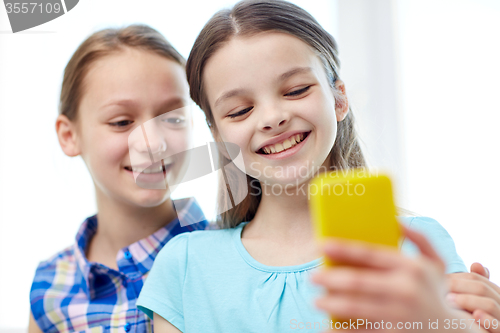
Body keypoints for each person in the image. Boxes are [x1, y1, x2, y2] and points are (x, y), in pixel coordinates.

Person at [136, 1, 500, 332]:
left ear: (339, 98)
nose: (273, 117)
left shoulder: (418, 246)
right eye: (240, 111)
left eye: (295, 90)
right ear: (217, 136)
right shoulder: (184, 268)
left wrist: (459, 326)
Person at [28, 25, 208, 333]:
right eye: (122, 122)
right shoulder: (50, 286)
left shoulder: (235, 252)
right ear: (69, 136)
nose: (152, 142)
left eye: (173, 118)